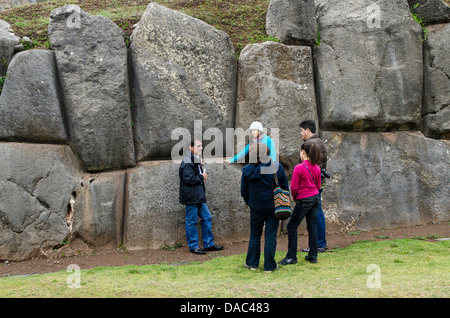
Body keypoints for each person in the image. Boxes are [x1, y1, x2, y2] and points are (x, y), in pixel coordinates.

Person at [241, 143, 289, 272]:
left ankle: (252, 263)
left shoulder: (246, 170)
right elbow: (284, 187)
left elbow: (243, 191)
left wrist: (250, 202)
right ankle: (269, 266)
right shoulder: (276, 167)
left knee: (255, 234)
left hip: (256, 207)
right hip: (274, 207)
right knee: (270, 235)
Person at [278, 141, 322, 265]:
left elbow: (294, 187)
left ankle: (292, 256)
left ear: (303, 152)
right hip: (315, 198)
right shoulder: (317, 167)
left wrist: (294, 197)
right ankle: (313, 255)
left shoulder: (299, 167)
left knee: (291, 226)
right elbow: (318, 185)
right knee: (312, 227)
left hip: (304, 199)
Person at [179, 137, 224, 255]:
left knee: (207, 217)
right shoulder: (188, 161)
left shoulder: (194, 160)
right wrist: (201, 176)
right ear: (191, 148)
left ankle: (208, 244)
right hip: (192, 197)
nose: (201, 147)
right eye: (198, 146)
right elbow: (188, 178)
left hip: (198, 196)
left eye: (201, 145)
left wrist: (198, 165)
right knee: (191, 221)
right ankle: (193, 246)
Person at [299, 120, 328, 253]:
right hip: (319, 181)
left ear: (308, 130)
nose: (301, 133)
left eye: (302, 130)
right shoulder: (320, 142)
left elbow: (307, 165)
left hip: (311, 184)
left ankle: (318, 244)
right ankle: (320, 243)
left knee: (314, 214)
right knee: (318, 211)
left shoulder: (309, 144)